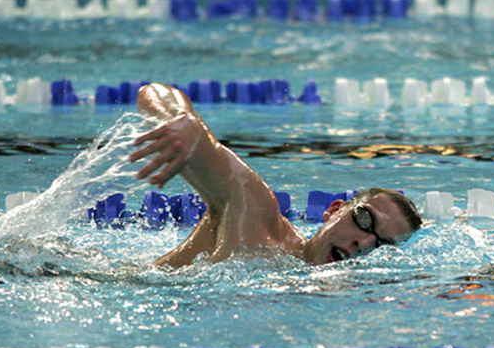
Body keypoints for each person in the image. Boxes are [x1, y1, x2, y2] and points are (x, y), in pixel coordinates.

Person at [130, 83, 422, 268]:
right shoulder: (255, 215)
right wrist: (183, 118)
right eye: (364, 220)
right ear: (333, 211)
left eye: (382, 244)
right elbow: (153, 92)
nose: (365, 244)